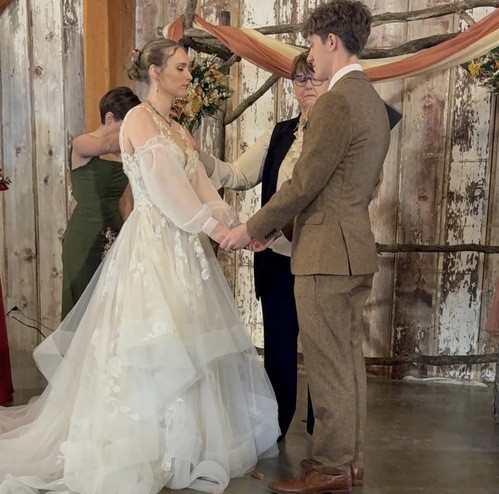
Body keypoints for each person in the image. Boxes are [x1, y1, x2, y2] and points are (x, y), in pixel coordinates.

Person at [0, 38, 279, 494]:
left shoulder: (180, 131)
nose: (188, 76)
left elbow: (203, 190)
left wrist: (242, 230)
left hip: (185, 250)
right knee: (149, 341)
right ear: (155, 71)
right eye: (181, 67)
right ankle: (139, 442)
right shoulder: (138, 120)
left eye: (188, 68)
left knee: (188, 341)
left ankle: (182, 441)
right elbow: (170, 194)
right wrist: (217, 232)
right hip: (151, 246)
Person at [221, 1, 391, 493]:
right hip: (353, 247)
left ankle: (332, 466)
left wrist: (252, 227)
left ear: (331, 41)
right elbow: (360, 184)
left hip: (325, 254)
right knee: (347, 362)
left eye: (312, 45)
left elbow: (302, 184)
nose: (310, 56)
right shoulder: (371, 101)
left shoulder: (337, 102)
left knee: (327, 365)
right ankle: (350, 462)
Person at [199, 52, 325, 439]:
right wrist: (190, 153)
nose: (307, 86)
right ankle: (276, 427)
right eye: (300, 79)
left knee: (323, 351)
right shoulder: (280, 134)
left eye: (315, 78)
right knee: (279, 349)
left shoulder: (337, 134)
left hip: (321, 259)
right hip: (277, 260)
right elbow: (236, 174)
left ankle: (324, 436)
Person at [61, 86, 140, 319]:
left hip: (115, 233)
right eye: (125, 125)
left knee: (112, 307)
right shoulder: (83, 142)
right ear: (109, 118)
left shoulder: (124, 154)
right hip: (85, 234)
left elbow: (126, 203)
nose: (129, 132)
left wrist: (131, 237)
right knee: (81, 303)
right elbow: (105, 145)